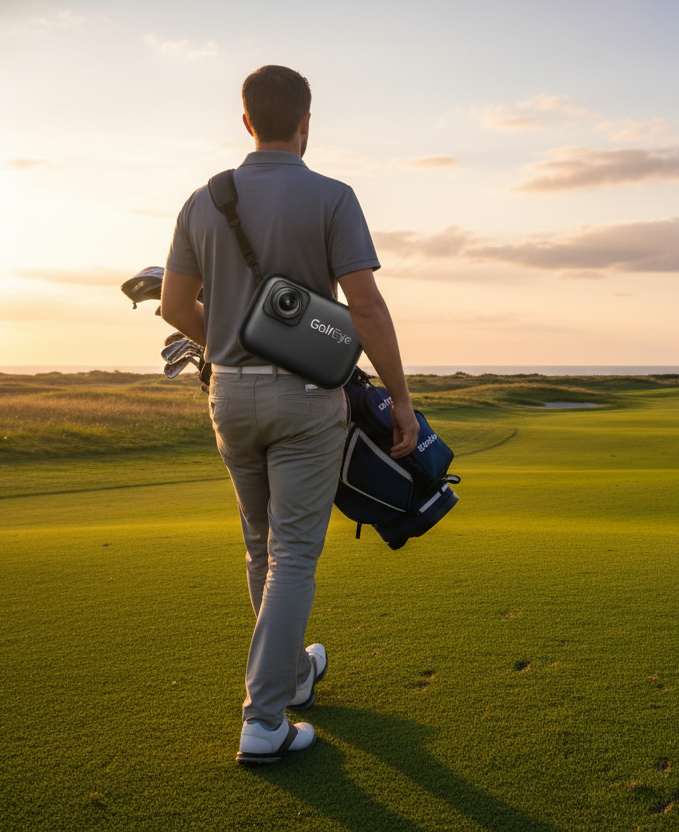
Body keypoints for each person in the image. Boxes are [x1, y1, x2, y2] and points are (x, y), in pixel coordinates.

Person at [161, 65, 419, 764]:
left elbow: (175, 308)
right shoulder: (332, 196)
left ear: (246, 122)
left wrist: (233, 335)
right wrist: (400, 399)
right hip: (306, 400)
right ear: (307, 123)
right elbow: (363, 307)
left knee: (258, 547)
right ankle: (264, 719)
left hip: (228, 395)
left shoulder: (202, 201)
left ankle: (294, 677)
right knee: (295, 555)